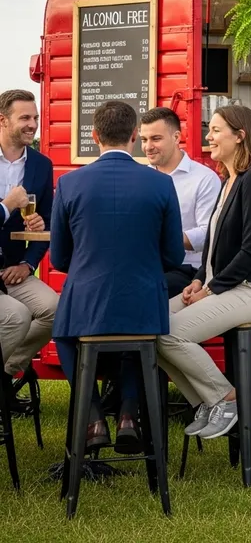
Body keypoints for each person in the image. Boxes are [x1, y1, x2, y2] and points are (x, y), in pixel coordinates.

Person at [50, 101, 185, 453]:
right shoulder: (161, 185)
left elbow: (61, 258)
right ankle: (128, 412)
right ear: (134, 137)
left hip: (85, 305)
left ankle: (93, 417)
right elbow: (174, 256)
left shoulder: (68, 184)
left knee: (64, 337)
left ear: (94, 136)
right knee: (135, 343)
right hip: (144, 304)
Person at [157, 105, 251, 440]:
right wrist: (198, 279)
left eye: (215, 130)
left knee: (171, 334)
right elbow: (210, 248)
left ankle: (225, 398)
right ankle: (207, 403)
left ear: (240, 136)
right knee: (150, 326)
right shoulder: (228, 181)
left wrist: (210, 289)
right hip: (222, 285)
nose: (208, 137)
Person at [0, 89, 58, 384]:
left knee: (54, 309)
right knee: (14, 316)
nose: (32, 124)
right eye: (24, 117)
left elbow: (48, 224)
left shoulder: (41, 164)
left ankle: (8, 371)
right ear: (2, 120)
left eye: (35, 117)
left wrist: (27, 263)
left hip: (13, 270)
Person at [140, 107, 222, 298]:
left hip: (188, 270)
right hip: (145, 265)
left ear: (176, 137)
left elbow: (209, 233)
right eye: (144, 140)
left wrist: (162, 239)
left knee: (142, 290)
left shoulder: (204, 178)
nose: (148, 146)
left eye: (156, 139)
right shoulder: (140, 177)